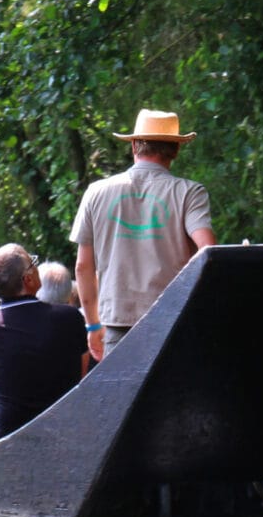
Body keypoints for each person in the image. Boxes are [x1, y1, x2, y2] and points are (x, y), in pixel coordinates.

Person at [71, 109, 216, 359]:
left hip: (118, 323)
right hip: (173, 321)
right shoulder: (189, 193)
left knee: (121, 398)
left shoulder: (96, 192)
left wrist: (93, 325)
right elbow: (209, 253)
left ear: (135, 145)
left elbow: (83, 266)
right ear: (176, 149)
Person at [0, 243, 88, 443]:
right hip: (64, 431)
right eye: (32, 262)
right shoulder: (70, 318)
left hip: (10, 436)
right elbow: (82, 379)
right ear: (28, 279)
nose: (36, 264)